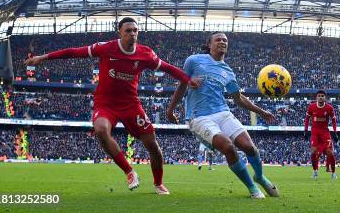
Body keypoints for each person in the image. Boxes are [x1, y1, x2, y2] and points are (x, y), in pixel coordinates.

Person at [24, 17, 200, 195]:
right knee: (100, 130)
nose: (132, 33)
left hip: (131, 104)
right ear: (120, 33)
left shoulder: (145, 53)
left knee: (152, 145)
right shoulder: (106, 48)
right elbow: (74, 52)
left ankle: (158, 183)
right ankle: (129, 171)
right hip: (106, 103)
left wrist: (188, 80)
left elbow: (168, 68)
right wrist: (44, 57)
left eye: (135, 30)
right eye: (128, 30)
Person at [166, 31, 280, 199]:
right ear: (209, 44)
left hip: (222, 112)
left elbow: (239, 99)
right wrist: (170, 110)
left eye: (225, 40)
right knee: (228, 147)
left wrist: (261, 111)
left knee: (249, 147)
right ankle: (252, 188)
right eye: (218, 39)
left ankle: (260, 176)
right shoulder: (194, 61)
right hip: (199, 116)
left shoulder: (228, 71)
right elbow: (182, 85)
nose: (222, 42)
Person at [304, 90, 338, 180]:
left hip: (325, 133)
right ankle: (315, 171)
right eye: (319, 96)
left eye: (322, 96)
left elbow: (334, 120)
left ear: (325, 98)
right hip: (315, 132)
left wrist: (335, 132)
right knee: (313, 152)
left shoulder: (329, 108)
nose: (320, 97)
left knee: (330, 153)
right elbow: (307, 119)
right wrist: (305, 130)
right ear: (316, 97)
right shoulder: (311, 107)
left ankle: (333, 173)